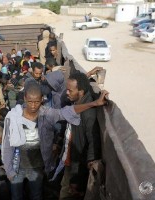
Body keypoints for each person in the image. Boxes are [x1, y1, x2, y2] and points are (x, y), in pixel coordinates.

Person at [2, 83, 108, 200]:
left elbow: (67, 112)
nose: (33, 105)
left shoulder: (47, 114)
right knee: (16, 196)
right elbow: (7, 145)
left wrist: (94, 103)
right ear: (25, 99)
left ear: (42, 99)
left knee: (36, 195)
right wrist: (9, 170)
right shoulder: (14, 117)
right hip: (17, 166)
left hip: (37, 167)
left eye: (36, 102)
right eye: (30, 102)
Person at [59, 72, 102, 200]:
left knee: (66, 193)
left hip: (76, 168)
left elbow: (92, 143)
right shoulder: (76, 103)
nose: (67, 93)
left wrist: (77, 179)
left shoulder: (87, 113)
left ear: (81, 92)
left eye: (70, 90)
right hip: (69, 160)